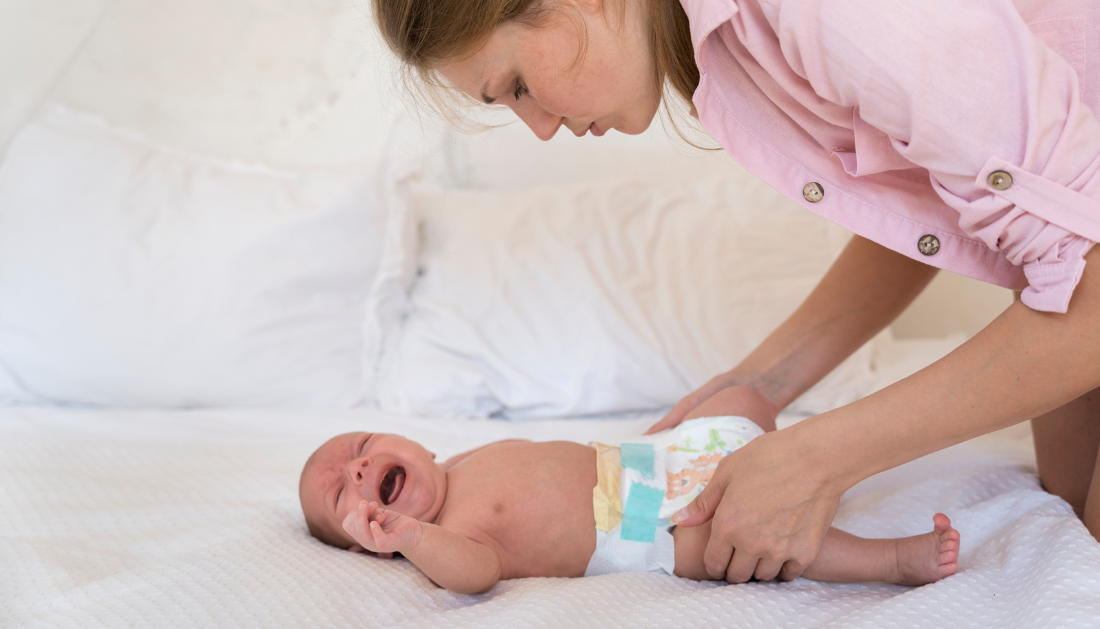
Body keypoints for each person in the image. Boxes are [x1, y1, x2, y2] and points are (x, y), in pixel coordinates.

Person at [370, 0, 1100, 583]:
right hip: (1074, 272)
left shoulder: (819, 12)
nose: (539, 128)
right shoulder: (734, 48)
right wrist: (758, 381)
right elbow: (932, 203)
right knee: (1065, 528)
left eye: (518, 86)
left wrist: (821, 456)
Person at [299, 387, 961, 594]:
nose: (357, 471)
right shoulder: (449, 535)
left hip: (647, 459)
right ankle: (892, 560)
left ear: (416, 446)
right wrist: (413, 538)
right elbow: (476, 575)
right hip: (637, 529)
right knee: (737, 536)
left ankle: (833, 460)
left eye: (361, 449)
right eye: (342, 493)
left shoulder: (466, 457)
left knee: (739, 397)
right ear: (369, 542)